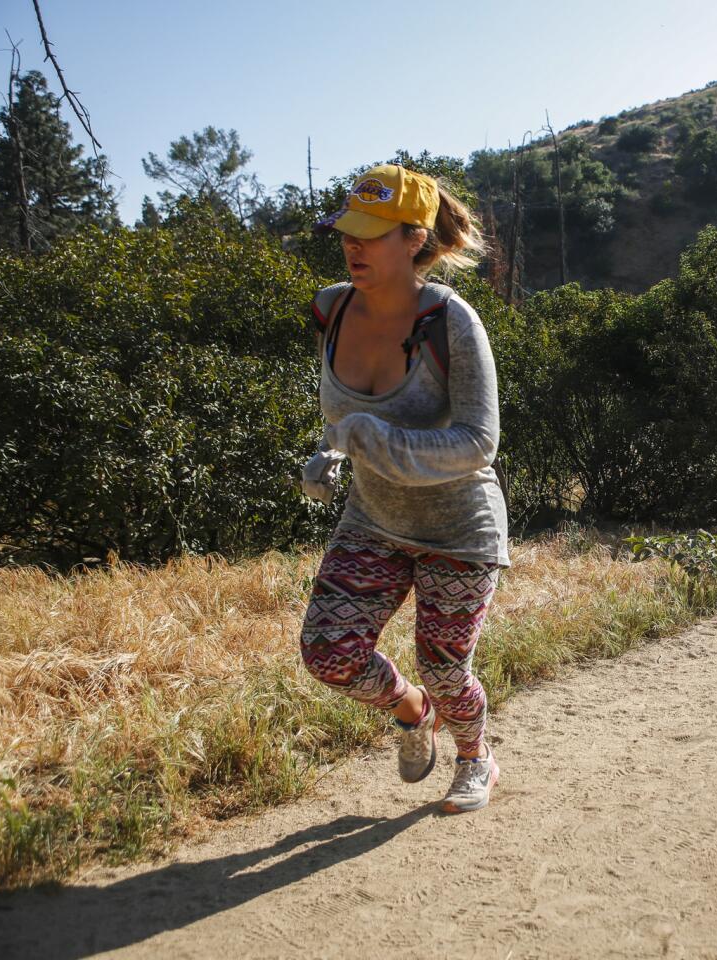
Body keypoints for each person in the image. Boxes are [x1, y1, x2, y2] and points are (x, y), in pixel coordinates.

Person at [297, 163, 509, 814]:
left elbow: (479, 442)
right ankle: (411, 710)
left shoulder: (452, 322)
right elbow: (346, 422)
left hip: (457, 529)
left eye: (371, 233)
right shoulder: (331, 309)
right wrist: (328, 455)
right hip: (373, 518)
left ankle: (476, 759)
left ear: (413, 239)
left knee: (446, 668)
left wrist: (371, 435)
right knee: (328, 653)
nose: (352, 246)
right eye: (347, 233)